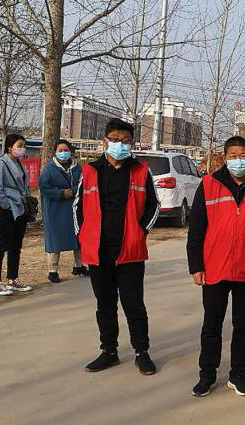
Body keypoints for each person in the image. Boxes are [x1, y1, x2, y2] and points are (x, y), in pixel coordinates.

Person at [187, 136, 245, 398]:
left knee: (243, 325)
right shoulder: (209, 184)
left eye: (243, 155)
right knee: (211, 325)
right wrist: (196, 265)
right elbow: (196, 229)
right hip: (214, 267)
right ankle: (207, 375)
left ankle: (238, 375)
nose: (239, 160)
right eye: (233, 156)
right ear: (225, 158)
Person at [74, 118, 160, 375]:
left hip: (130, 250)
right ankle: (109, 351)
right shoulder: (90, 170)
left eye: (125, 141)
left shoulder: (141, 170)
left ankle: (141, 352)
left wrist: (141, 233)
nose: (119, 144)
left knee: (134, 304)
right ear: (105, 142)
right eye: (114, 139)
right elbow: (77, 207)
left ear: (131, 143)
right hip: (98, 250)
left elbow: (153, 205)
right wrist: (83, 237)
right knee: (105, 304)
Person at [0, 134, 33, 296]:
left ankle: (12, 278)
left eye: (24, 146)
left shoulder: (19, 163)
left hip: (20, 209)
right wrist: (7, 205)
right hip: (7, 209)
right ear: (9, 147)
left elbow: (24, 185)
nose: (22, 149)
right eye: (19, 145)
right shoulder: (0, 164)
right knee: (1, 245)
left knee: (16, 245)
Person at [39, 139, 86, 283]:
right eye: (60, 150)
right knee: (55, 240)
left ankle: (79, 266)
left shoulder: (77, 168)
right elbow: (44, 187)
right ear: (55, 152)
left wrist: (73, 191)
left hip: (74, 208)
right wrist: (60, 193)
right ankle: (52, 271)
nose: (63, 153)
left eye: (66, 150)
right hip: (55, 209)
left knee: (78, 237)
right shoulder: (49, 169)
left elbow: (84, 184)